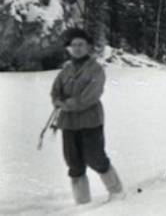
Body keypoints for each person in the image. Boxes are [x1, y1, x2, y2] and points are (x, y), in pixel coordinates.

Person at [50, 28, 123, 204]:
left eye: (81, 44)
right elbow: (55, 91)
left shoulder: (96, 69)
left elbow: (90, 96)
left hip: (90, 121)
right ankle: (82, 202)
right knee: (73, 163)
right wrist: (57, 101)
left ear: (89, 47)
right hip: (68, 123)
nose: (77, 48)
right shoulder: (66, 70)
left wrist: (65, 104)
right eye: (73, 45)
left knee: (95, 157)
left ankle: (116, 191)